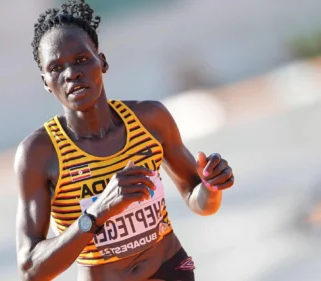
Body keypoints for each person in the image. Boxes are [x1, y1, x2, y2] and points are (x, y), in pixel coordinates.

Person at [14, 1, 235, 280]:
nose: (71, 73)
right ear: (46, 81)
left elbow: (199, 201)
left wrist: (211, 186)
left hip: (173, 269)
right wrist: (97, 213)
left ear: (102, 61)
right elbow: (30, 269)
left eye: (81, 59)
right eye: (56, 68)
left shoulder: (150, 119)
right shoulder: (39, 153)